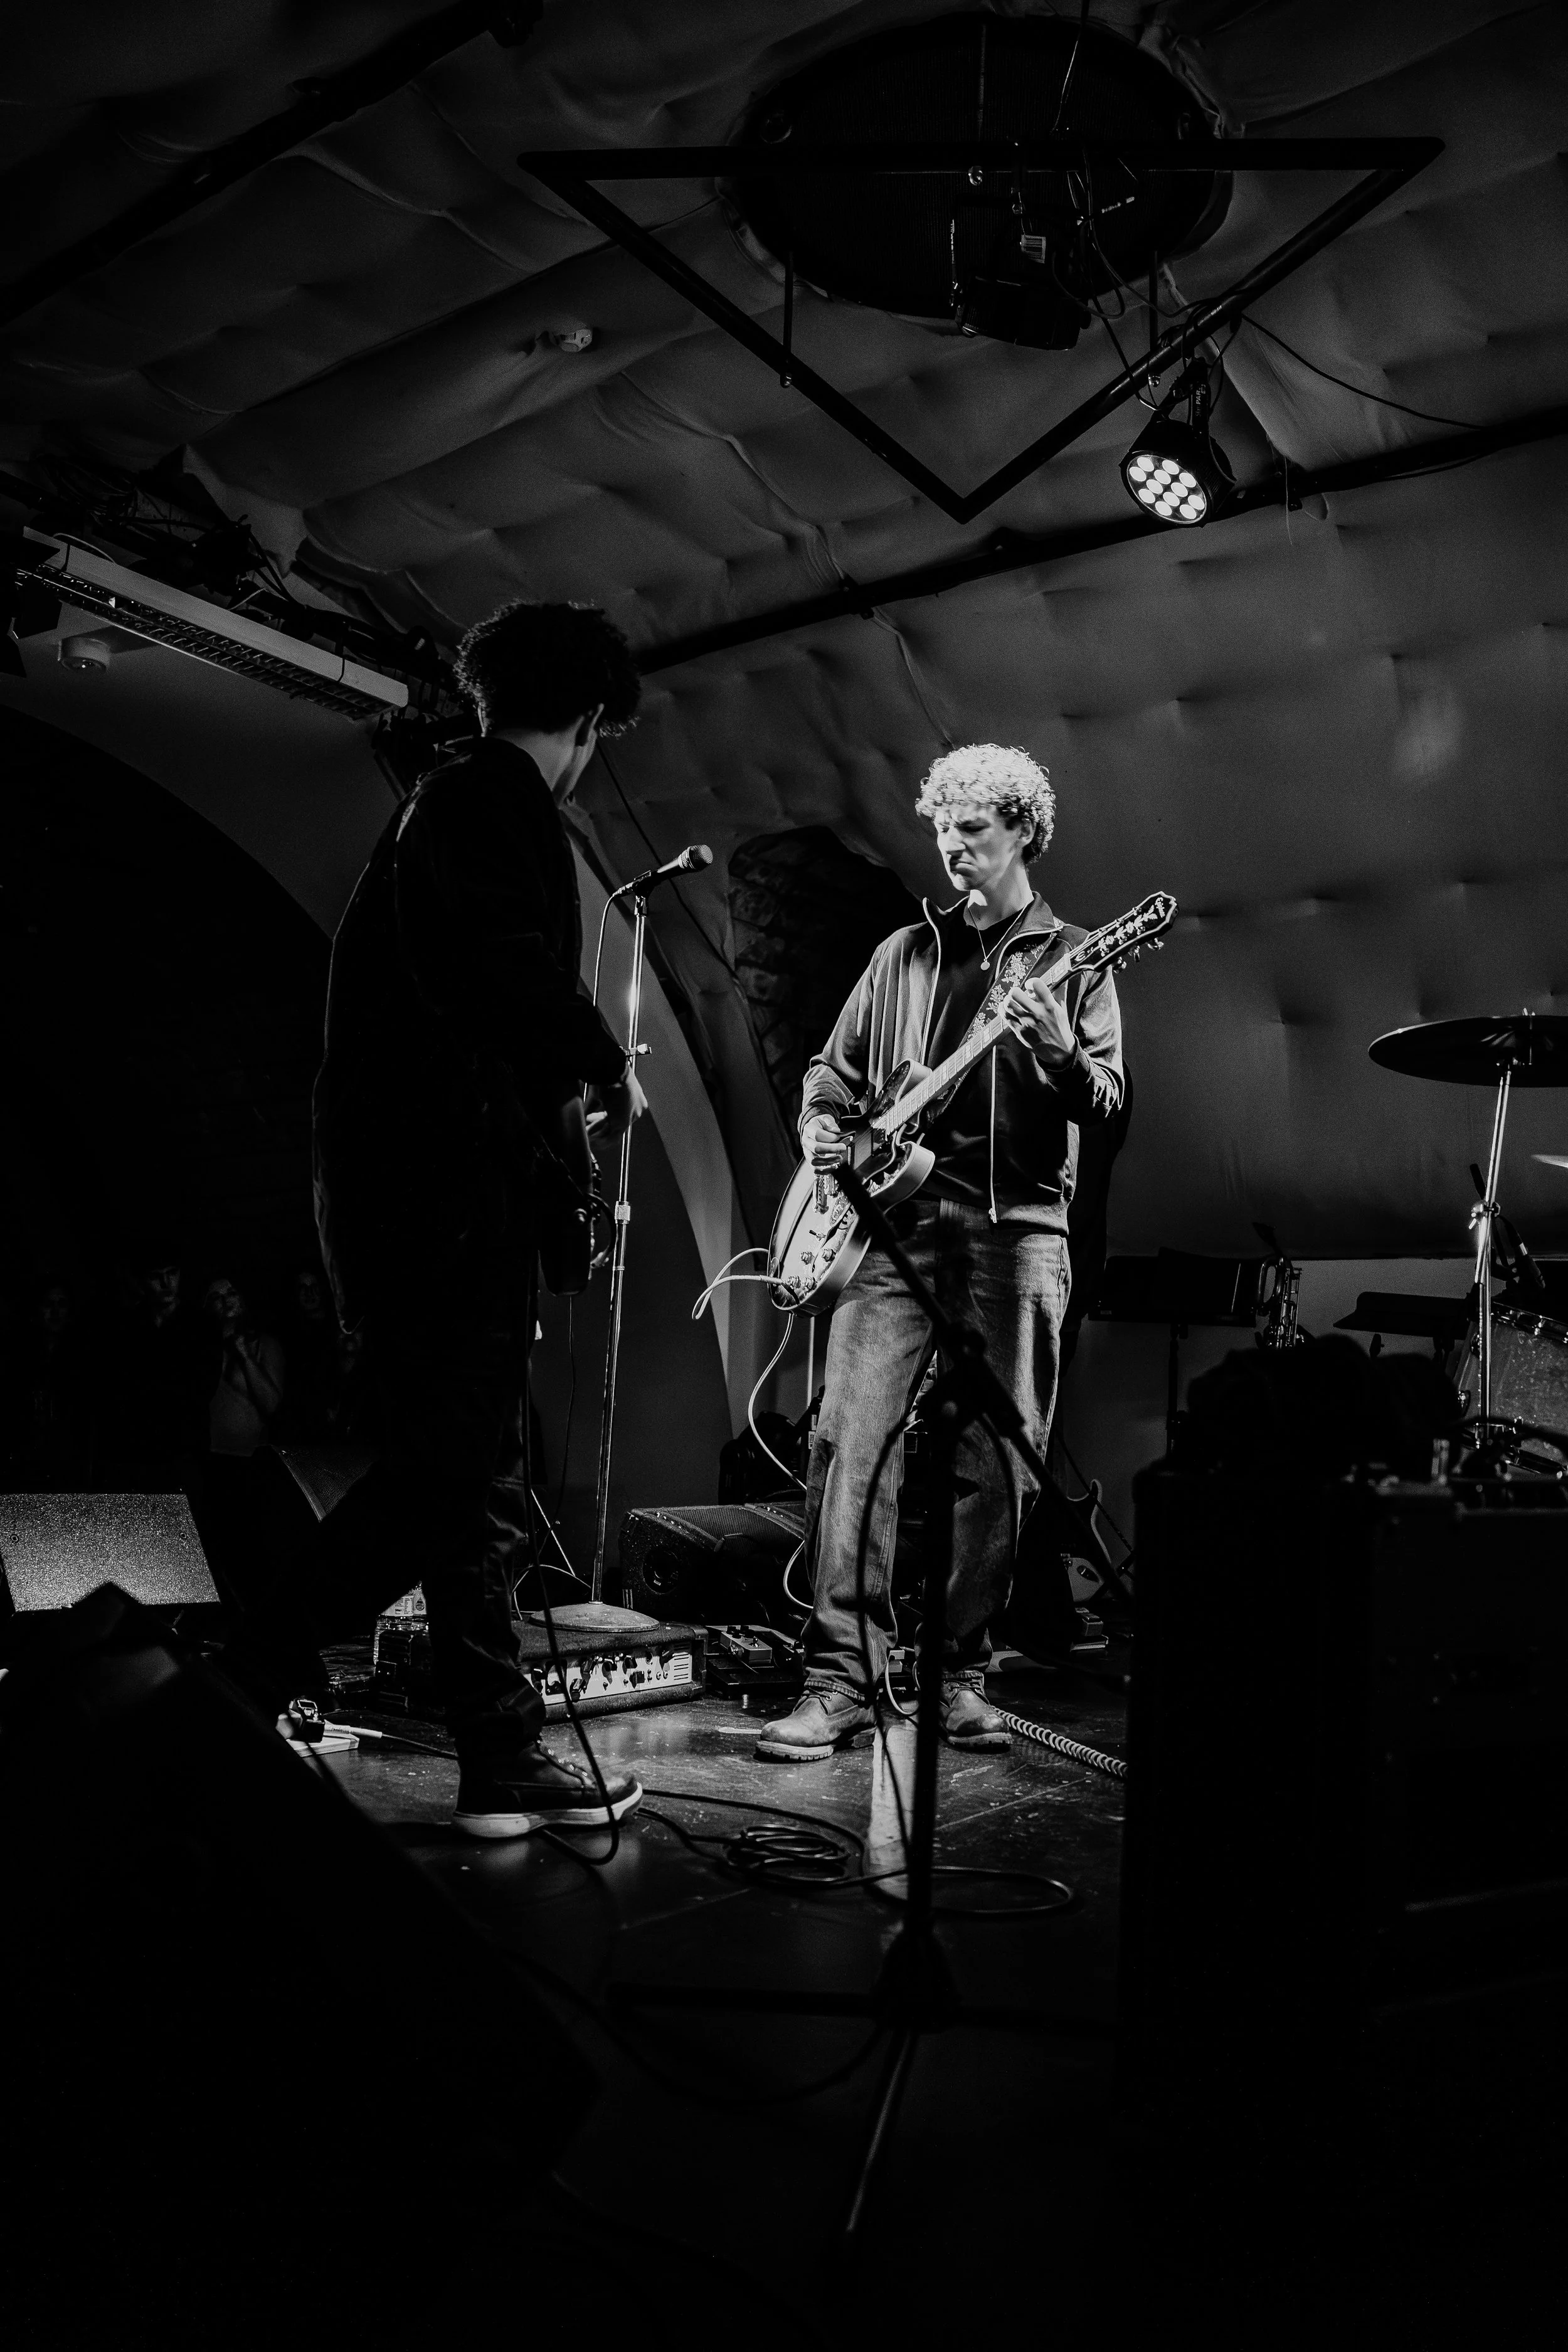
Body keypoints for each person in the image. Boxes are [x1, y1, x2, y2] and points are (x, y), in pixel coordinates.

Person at [220, 600, 647, 1838]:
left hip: (429, 1209)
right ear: (584, 720)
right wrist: (602, 1069)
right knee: (448, 1474)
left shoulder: (449, 805)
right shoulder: (488, 802)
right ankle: (257, 1663)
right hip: (436, 1214)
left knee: (474, 1486)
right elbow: (506, 969)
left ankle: (499, 1756)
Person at [757, 743, 1125, 1761]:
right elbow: (832, 1070)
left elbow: (1106, 1098)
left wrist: (1055, 1052)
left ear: (1024, 835)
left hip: (1020, 1235)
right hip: (892, 1224)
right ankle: (838, 1678)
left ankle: (956, 1669)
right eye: (943, 828)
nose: (954, 846)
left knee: (999, 1465)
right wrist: (823, 1126)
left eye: (975, 829)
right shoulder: (902, 956)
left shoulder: (1075, 960)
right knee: (848, 1442)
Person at [98, 1249, 220, 1502]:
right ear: (143, 1281)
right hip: (140, 1451)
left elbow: (202, 1389)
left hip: (186, 1448)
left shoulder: (201, 1325)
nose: (166, 1283)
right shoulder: (129, 1325)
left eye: (172, 1274)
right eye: (157, 1276)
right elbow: (120, 1387)